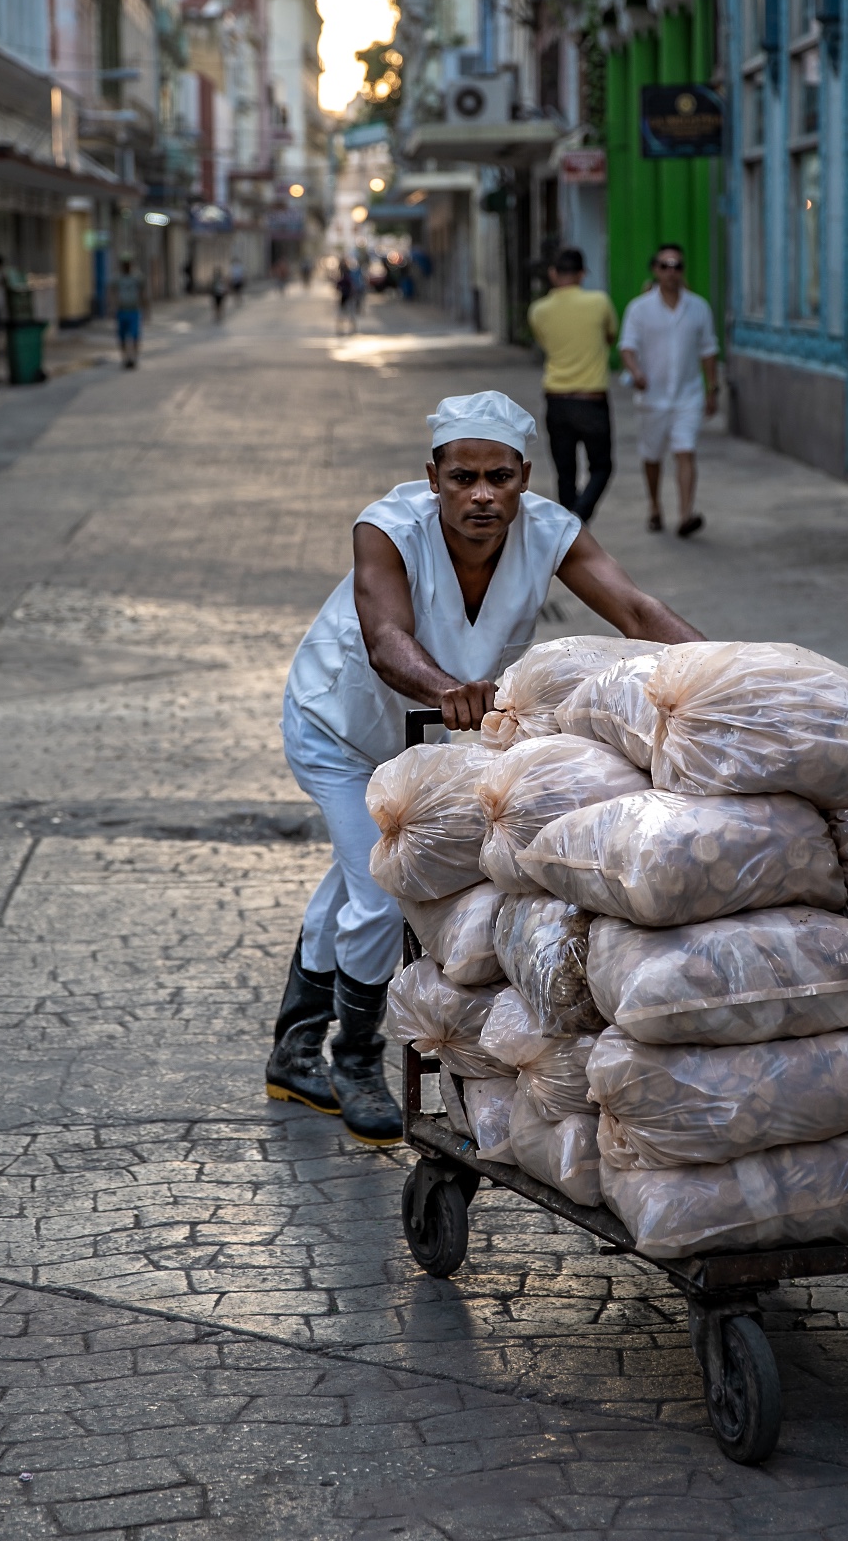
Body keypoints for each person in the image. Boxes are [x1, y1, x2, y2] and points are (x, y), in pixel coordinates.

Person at [266, 389, 703, 1145]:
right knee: (380, 888)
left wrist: (726, 673)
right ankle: (356, 1056)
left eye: (498, 477)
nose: (481, 495)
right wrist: (446, 689)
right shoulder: (387, 527)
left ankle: (294, 1047)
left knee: (354, 869)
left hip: (425, 741)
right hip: (339, 726)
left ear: (524, 476)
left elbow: (634, 612)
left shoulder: (550, 532)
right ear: (432, 475)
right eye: (463, 476)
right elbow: (385, 637)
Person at [618, 243, 720, 537]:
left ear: (682, 271)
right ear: (655, 270)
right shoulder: (639, 309)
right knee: (652, 456)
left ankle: (686, 514)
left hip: (688, 394)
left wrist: (712, 388)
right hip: (652, 397)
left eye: (676, 266)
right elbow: (627, 346)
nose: (671, 272)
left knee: (685, 450)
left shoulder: (698, 307)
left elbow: (709, 350)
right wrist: (636, 372)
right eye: (665, 266)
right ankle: (654, 505)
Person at [526, 247, 619, 521]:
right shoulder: (599, 302)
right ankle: (580, 514)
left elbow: (545, 344)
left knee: (565, 472)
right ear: (582, 274)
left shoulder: (538, 310)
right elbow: (611, 337)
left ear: (553, 274)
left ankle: (569, 528)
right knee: (601, 466)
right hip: (592, 400)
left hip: (556, 400)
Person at [115, 256, 144, 369]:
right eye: (124, 264)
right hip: (122, 310)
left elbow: (143, 293)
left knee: (134, 336)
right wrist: (112, 307)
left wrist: (146, 309)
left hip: (134, 310)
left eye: (128, 263)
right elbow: (113, 292)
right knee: (122, 336)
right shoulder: (118, 278)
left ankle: (134, 358)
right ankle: (125, 358)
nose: (126, 266)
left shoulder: (137, 277)